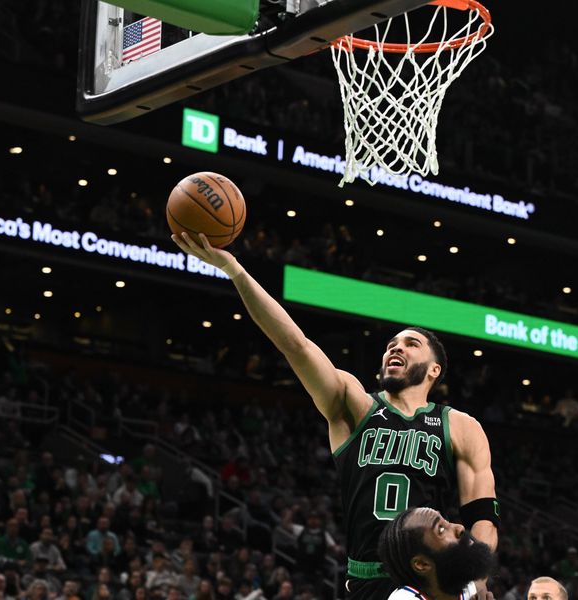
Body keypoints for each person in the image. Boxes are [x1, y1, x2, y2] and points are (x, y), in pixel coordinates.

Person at [173, 233, 500, 599]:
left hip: (430, 579)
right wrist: (235, 271)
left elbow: (481, 517)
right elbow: (295, 345)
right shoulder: (355, 405)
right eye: (391, 344)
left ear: (435, 370)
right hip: (364, 577)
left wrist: (479, 578)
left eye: (411, 344)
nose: (396, 348)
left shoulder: (460, 425)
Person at [377, 507, 496, 600]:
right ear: (422, 564)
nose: (459, 528)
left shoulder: (468, 586)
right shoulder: (403, 598)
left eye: (447, 521)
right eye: (441, 529)